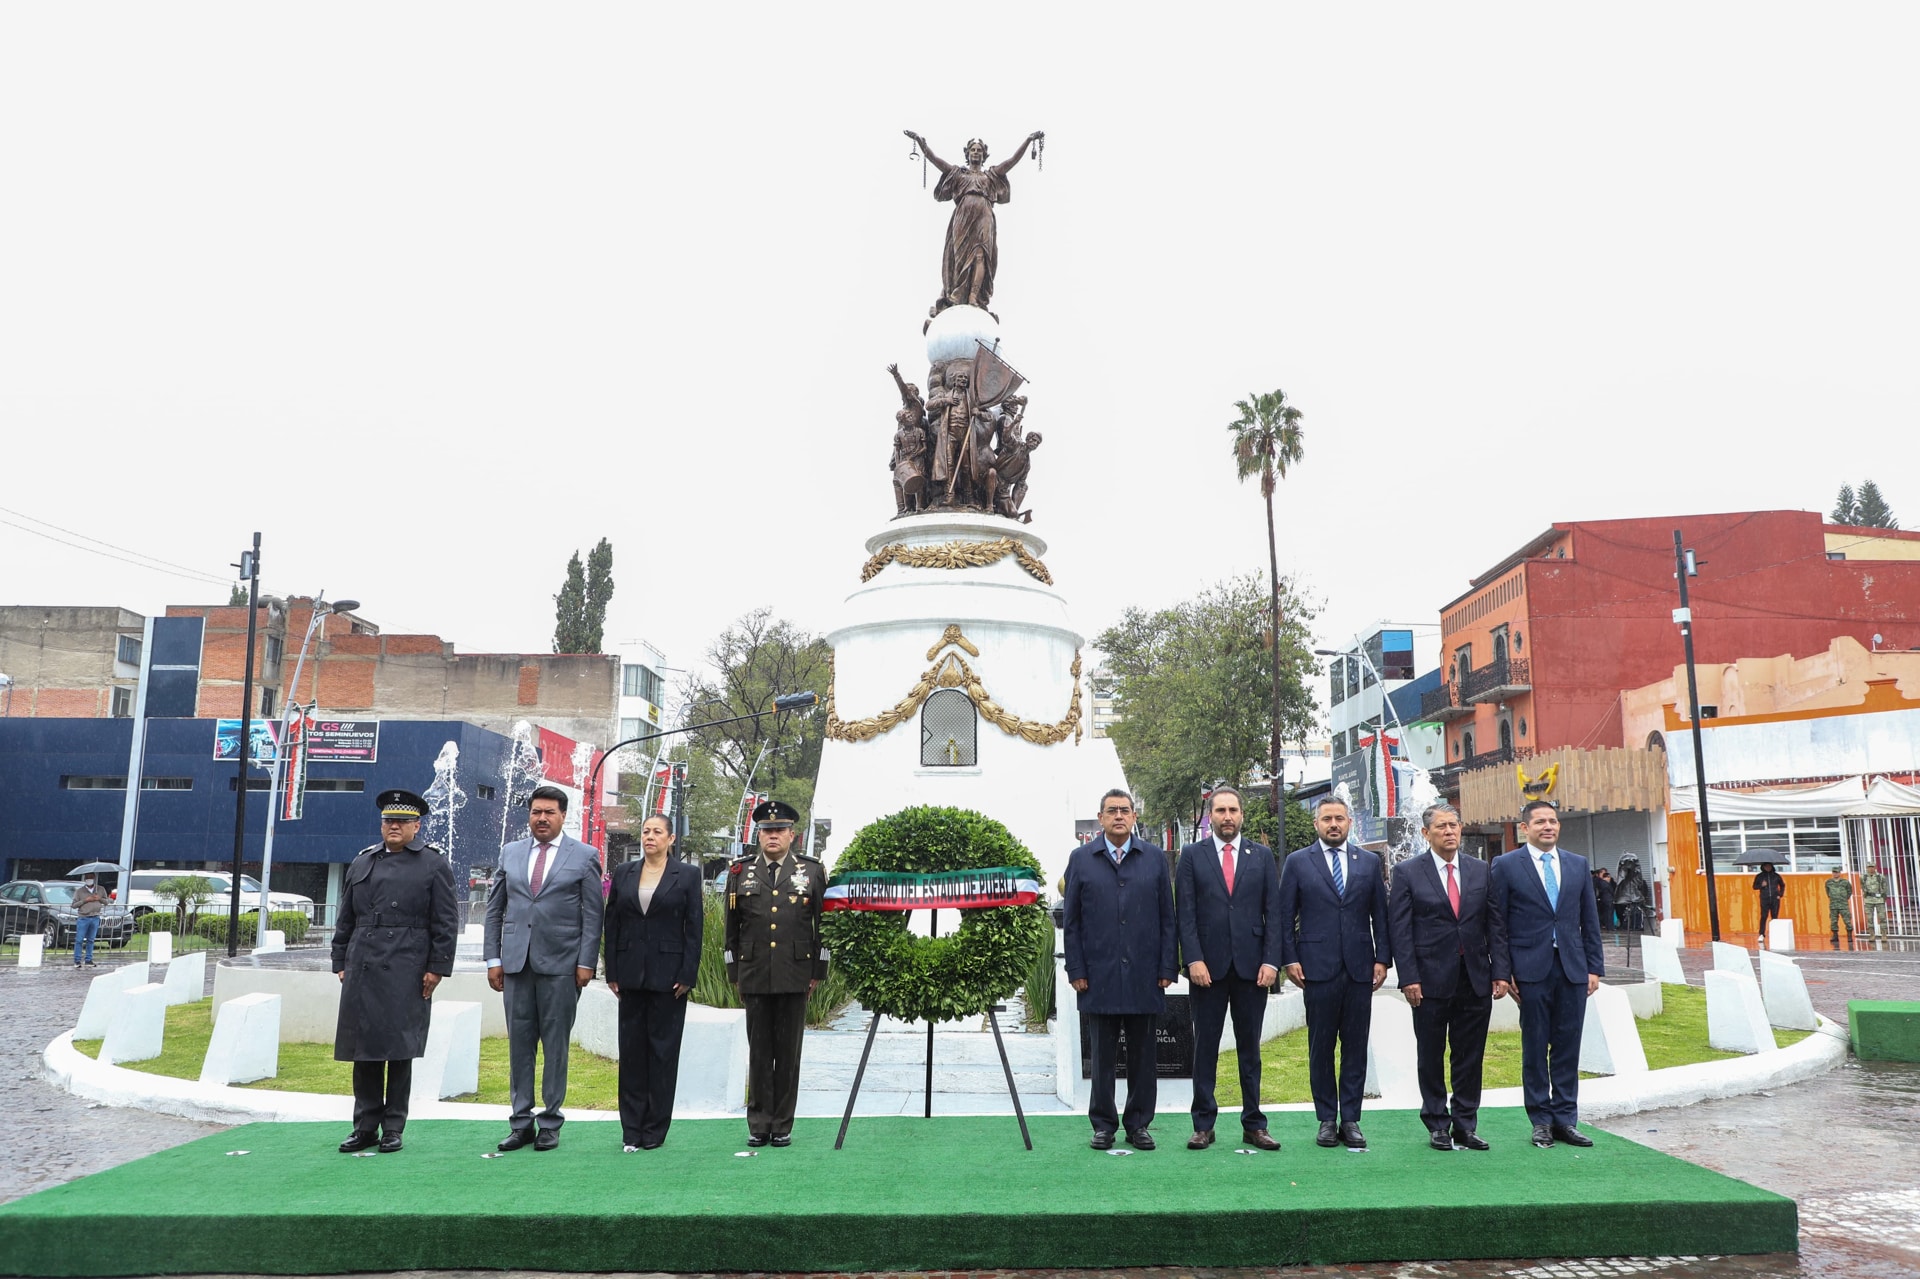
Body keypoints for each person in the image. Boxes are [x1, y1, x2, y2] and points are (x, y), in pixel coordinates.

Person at [331, 788, 459, 1154]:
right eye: (389, 821)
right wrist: (340, 961)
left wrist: (436, 968)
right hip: (363, 965)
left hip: (407, 964)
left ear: (417, 826)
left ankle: (393, 1127)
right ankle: (364, 1125)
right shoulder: (363, 861)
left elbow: (446, 922)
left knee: (399, 1050)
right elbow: (346, 917)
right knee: (364, 1050)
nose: (394, 827)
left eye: (403, 821)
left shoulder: (433, 864)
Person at [484, 785, 605, 1152]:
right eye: (536, 811)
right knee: (520, 1047)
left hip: (562, 968)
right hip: (517, 965)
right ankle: (521, 1122)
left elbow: (593, 916)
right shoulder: (511, 852)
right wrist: (494, 958)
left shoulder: (584, 856)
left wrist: (586, 962)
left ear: (563, 816)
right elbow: (494, 909)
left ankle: (550, 1122)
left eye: (549, 812)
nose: (541, 818)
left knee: (555, 1047)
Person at [1063, 788, 1177, 1151]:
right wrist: (1076, 969)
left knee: (1144, 1057)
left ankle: (1139, 1124)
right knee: (1102, 1057)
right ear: (1100, 819)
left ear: (1134, 817)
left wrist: (1166, 967)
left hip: (1145, 974)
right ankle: (1103, 1125)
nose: (1118, 816)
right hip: (1098, 975)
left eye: (1125, 811)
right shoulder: (1081, 859)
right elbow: (1073, 921)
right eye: (1111, 811)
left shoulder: (1155, 859)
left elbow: (1166, 918)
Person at [1488, 799, 1605, 1149]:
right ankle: (1540, 1119)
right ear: (1525, 828)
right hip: (1530, 970)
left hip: (1572, 967)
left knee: (1568, 1046)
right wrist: (1504, 972)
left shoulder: (1576, 864)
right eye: (1539, 822)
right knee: (1536, 1046)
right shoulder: (1506, 866)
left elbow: (1590, 921)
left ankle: (1565, 1119)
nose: (1548, 827)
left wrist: (1594, 967)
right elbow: (1498, 924)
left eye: (1553, 821)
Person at [1277, 795, 1390, 1151]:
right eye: (1326, 819)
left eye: (1339, 818)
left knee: (1355, 1046)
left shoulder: (1369, 862)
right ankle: (1327, 1118)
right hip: (1316, 969)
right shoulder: (1297, 862)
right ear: (1316, 824)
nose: (1333, 824)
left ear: (1349, 823)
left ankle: (1352, 1119)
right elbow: (1284, 917)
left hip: (1359, 968)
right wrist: (1290, 959)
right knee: (1320, 1047)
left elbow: (1380, 916)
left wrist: (1383, 958)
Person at [1174, 786, 1280, 1150]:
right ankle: (1203, 1124)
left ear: (1242, 815)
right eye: (1220, 810)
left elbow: (1275, 913)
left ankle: (1254, 1123)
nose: (1227, 816)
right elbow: (1184, 913)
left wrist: (1271, 960)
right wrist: (1193, 960)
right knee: (1205, 1049)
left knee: (1250, 1050)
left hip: (1253, 970)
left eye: (1233, 810)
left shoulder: (1262, 855)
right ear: (1210, 816)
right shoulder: (1191, 855)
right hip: (1207, 971)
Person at [1387, 803, 1494, 1151]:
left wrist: (1501, 972)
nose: (1449, 831)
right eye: (1441, 826)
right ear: (1425, 833)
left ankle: (1465, 1123)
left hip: (1474, 978)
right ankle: (1436, 1122)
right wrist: (1408, 978)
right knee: (1430, 1054)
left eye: (1454, 825)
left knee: (1469, 1055)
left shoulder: (1480, 870)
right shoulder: (1407, 872)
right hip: (1429, 981)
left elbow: (1495, 925)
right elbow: (1400, 930)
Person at [725, 798, 827, 1147]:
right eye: (767, 830)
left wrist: (819, 969)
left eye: (779, 829)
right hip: (754, 972)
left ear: (792, 834)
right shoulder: (740, 871)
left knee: (787, 1053)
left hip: (795, 972)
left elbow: (822, 925)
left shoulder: (811, 871)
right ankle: (758, 1124)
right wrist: (733, 971)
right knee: (758, 1052)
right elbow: (731, 927)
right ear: (759, 833)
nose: (773, 835)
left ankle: (782, 1124)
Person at [604, 814, 703, 1151]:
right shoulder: (624, 872)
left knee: (662, 1055)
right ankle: (631, 1130)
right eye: (646, 831)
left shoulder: (687, 876)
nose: (650, 837)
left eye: (657, 832)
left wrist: (687, 974)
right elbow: (612, 923)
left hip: (669, 979)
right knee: (631, 1055)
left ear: (671, 839)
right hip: (630, 977)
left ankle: (654, 1131)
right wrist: (612, 971)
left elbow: (694, 928)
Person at [902, 130, 1045, 317]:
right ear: (968, 153)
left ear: (984, 155)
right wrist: (922, 145)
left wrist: (1028, 141)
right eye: (973, 150)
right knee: (960, 258)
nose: (976, 152)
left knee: (981, 254)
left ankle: (973, 297)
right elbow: (936, 161)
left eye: (979, 150)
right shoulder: (958, 175)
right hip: (962, 218)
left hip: (984, 215)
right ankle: (957, 293)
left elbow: (1011, 161)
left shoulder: (991, 176)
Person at [71, 874, 110, 967]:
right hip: (83, 918)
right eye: (87, 878)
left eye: (91, 878)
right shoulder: (79, 891)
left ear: (94, 879)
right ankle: (77, 960)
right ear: (85, 880)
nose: (89, 880)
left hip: (95, 917)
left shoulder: (100, 889)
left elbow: (107, 902)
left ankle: (88, 960)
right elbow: (74, 905)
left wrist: (99, 899)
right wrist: (85, 900)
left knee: (91, 940)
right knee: (79, 940)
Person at [1613, 857, 1650, 932]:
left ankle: (1636, 925)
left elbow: (1641, 887)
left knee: (1636, 913)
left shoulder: (1636, 877)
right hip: (1626, 899)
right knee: (1627, 913)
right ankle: (1629, 925)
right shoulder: (1624, 879)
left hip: (1635, 898)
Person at [1752, 863, 1786, 944]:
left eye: (1769, 866)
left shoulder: (1776, 876)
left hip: (1775, 898)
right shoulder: (1759, 876)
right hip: (1764, 898)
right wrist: (1761, 885)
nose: (1768, 868)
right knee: (1764, 916)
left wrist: (1780, 894)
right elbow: (1754, 886)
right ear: (1763, 867)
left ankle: (1775, 934)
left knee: (1774, 917)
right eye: (1766, 866)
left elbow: (1782, 885)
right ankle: (1761, 934)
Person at [1824, 868, 1855, 950]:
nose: (1835, 874)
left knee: (1847, 921)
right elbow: (1827, 892)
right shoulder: (1828, 882)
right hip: (1833, 905)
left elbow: (1849, 891)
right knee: (1833, 921)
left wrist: (1844, 898)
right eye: (1834, 872)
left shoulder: (1845, 882)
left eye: (1837, 872)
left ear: (1840, 873)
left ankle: (1849, 936)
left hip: (1843, 904)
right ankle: (1835, 936)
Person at [1860, 863, 1891, 943]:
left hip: (1879, 899)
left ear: (1875, 867)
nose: (1870, 869)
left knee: (1882, 918)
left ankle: (1884, 935)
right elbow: (1862, 887)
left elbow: (1884, 887)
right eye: (1869, 867)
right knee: (1869, 918)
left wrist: (1882, 897)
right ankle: (1872, 935)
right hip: (1868, 900)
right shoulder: (1863, 877)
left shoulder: (1880, 877)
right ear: (1866, 868)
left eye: (1872, 867)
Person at [1592, 868, 1616, 934]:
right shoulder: (1605, 883)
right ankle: (1610, 927)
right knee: (1609, 914)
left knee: (1606, 914)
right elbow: (1611, 891)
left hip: (1603, 900)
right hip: (1608, 900)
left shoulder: (1601, 883)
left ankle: (1608, 926)